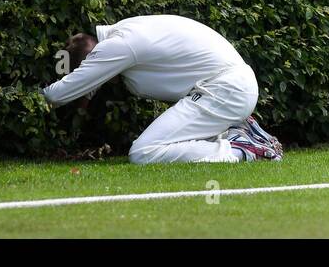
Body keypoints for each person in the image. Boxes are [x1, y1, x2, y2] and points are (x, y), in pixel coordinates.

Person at [42, 14, 283, 163]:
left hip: (224, 90)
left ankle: (241, 149)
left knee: (144, 152)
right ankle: (241, 132)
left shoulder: (117, 47)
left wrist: (19, 99)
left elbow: (56, 95)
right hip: (228, 88)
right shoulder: (126, 29)